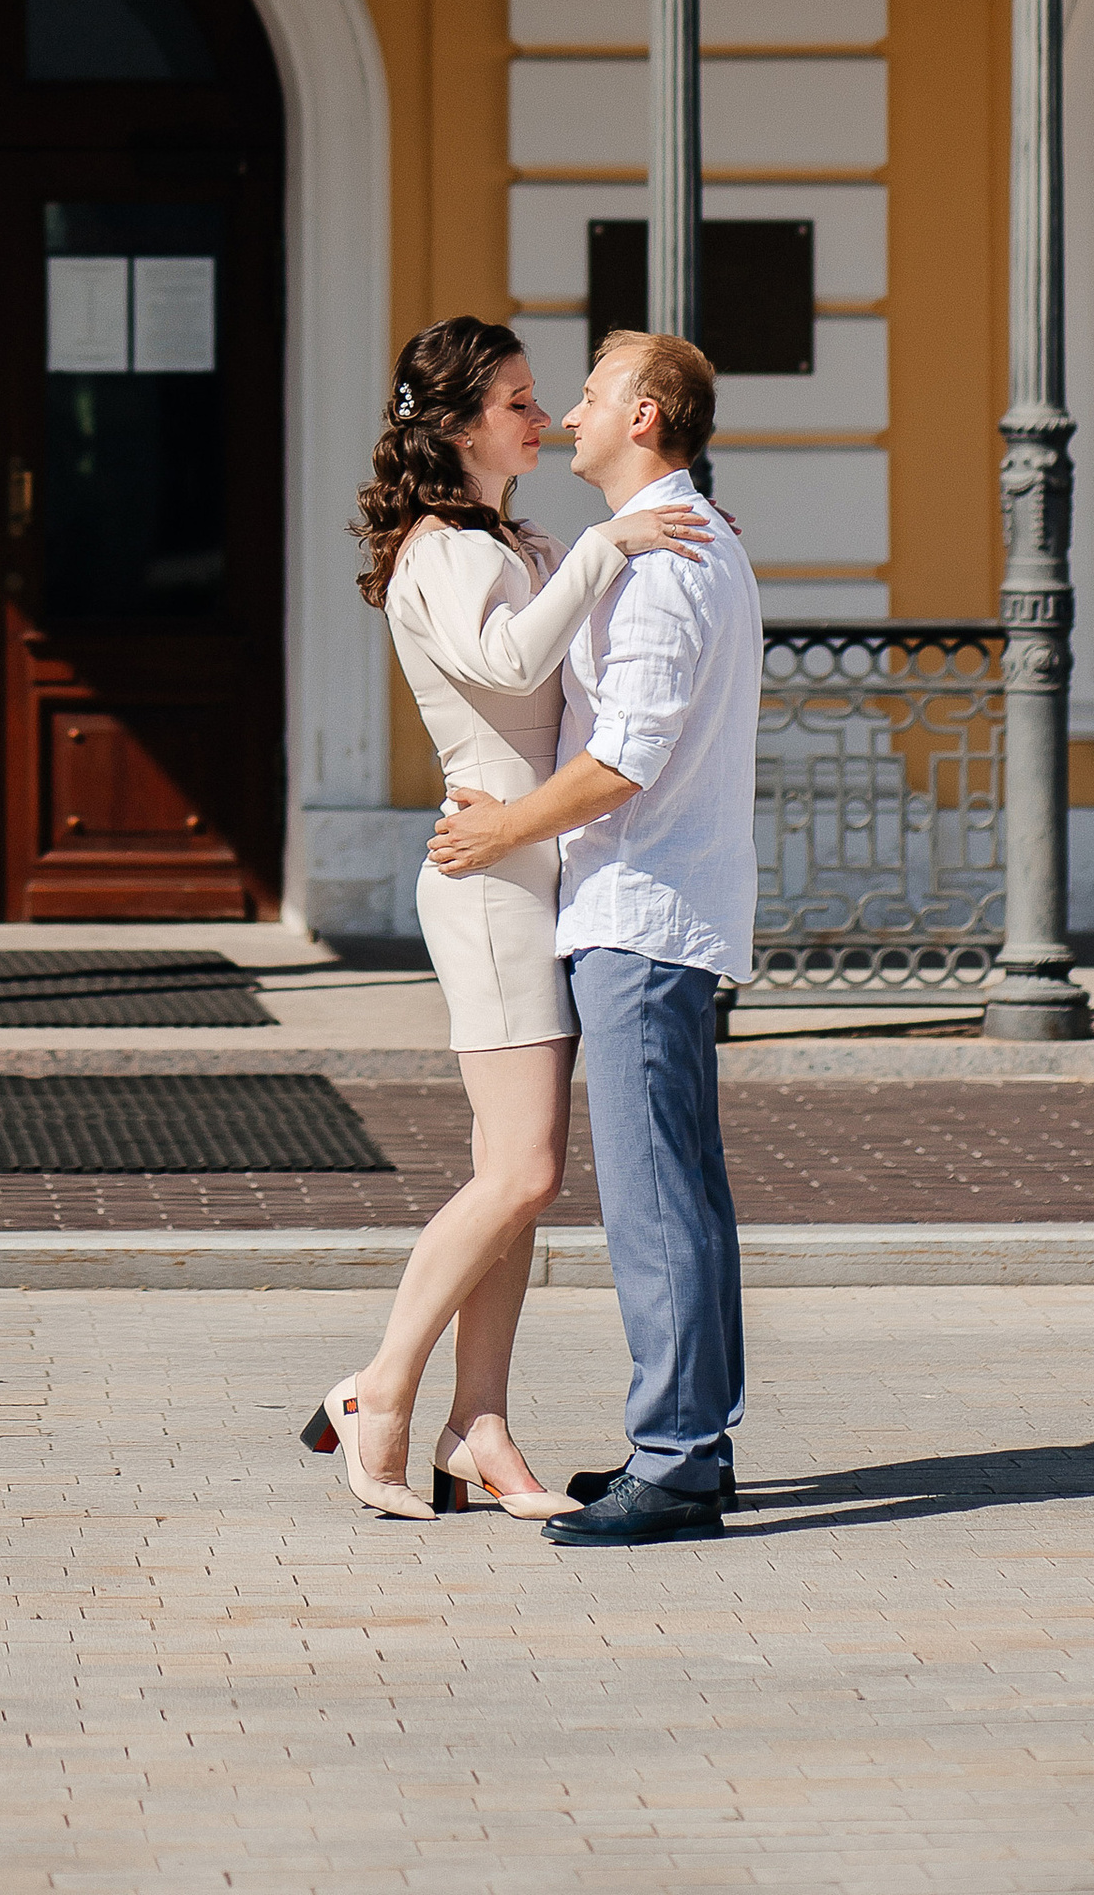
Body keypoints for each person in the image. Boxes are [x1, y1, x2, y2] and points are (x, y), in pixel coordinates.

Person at [300, 317, 711, 1523]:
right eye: (521, 402)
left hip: (532, 868)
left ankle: (479, 1424)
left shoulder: (504, 537)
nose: (541, 419)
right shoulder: (445, 550)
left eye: (545, 399)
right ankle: (378, 1391)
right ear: (460, 423)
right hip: (488, 885)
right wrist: (603, 549)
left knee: (511, 1177)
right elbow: (512, 663)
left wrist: (630, 556)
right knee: (525, 1170)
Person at [426, 326, 761, 1549]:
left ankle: (675, 1462)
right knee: (685, 1193)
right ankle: (695, 1447)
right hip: (653, 906)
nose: (568, 411)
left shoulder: (670, 560)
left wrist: (500, 826)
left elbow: (626, 758)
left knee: (657, 1200)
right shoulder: (667, 543)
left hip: (640, 908)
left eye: (590, 392)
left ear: (647, 418)